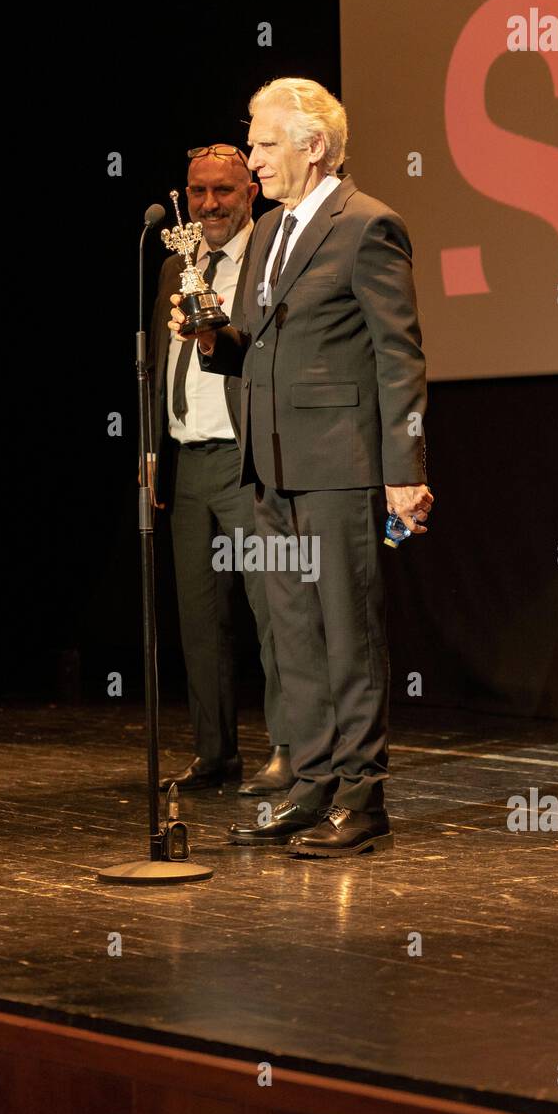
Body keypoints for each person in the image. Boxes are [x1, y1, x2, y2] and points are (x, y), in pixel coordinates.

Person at [169, 79, 433, 856]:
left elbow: (400, 358)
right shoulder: (273, 232)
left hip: (342, 466)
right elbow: (260, 350)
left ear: (312, 145)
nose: (252, 157)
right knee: (294, 637)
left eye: (261, 143)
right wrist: (215, 342)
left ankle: (363, 796)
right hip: (270, 468)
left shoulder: (368, 226)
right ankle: (311, 785)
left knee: (348, 634)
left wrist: (404, 468)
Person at [149, 144, 291, 795]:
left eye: (224, 192)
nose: (209, 204)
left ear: (250, 194)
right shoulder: (177, 263)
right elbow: (156, 368)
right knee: (199, 620)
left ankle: (290, 752)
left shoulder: (269, 260)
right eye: (198, 191)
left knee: (271, 611)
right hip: (188, 460)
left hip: (247, 457)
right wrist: (151, 454)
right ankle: (215, 754)